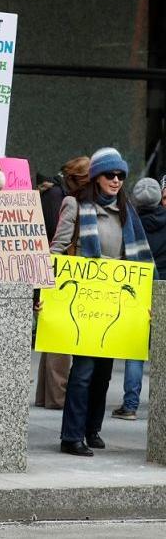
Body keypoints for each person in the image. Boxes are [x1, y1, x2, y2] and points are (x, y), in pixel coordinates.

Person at [49, 148, 155, 456]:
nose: (116, 180)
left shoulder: (127, 210)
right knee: (83, 370)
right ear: (96, 176)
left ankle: (91, 429)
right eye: (110, 174)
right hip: (84, 299)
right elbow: (57, 250)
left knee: (104, 373)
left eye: (121, 175)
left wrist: (145, 299)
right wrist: (47, 293)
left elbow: (137, 260)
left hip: (114, 301)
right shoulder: (75, 204)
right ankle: (71, 436)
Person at [35, 157, 90, 411]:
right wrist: (48, 275)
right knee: (61, 339)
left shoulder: (76, 200)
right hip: (68, 275)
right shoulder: (72, 202)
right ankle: (58, 397)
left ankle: (46, 396)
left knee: (54, 338)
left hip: (71, 274)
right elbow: (60, 242)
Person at [109, 177, 166, 420]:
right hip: (163, 287)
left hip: (137, 287)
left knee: (136, 348)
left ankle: (130, 405)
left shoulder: (128, 221)